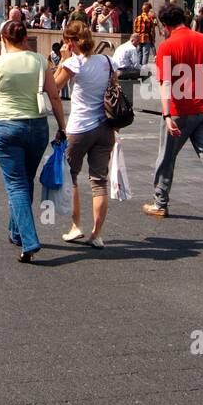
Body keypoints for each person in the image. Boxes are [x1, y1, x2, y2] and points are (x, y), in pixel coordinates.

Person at [0, 19, 67, 262]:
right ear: (24, 37)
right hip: (37, 126)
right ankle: (16, 231)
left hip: (7, 127)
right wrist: (62, 127)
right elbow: (55, 97)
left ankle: (29, 241)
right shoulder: (40, 61)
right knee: (25, 180)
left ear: (4, 39)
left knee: (16, 184)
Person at [142, 4, 203, 232]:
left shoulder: (167, 46)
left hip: (179, 110)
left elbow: (165, 83)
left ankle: (160, 203)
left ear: (165, 26)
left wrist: (166, 115)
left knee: (166, 157)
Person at [52, 20, 117, 248]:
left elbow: (53, 88)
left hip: (80, 128)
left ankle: (75, 226)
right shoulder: (108, 61)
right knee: (99, 182)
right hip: (105, 127)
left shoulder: (73, 63)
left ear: (70, 42)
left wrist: (61, 60)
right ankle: (96, 234)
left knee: (72, 177)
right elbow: (113, 90)